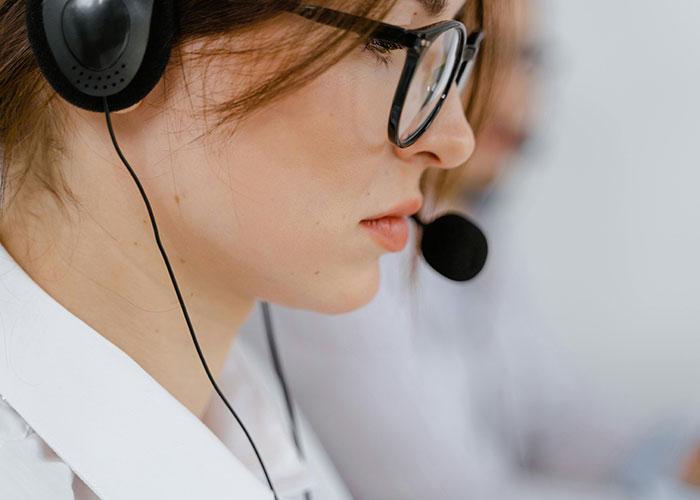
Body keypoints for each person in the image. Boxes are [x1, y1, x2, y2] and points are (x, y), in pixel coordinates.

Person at [0, 1, 496, 498]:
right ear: (110, 31)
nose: (454, 140)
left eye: (455, 54)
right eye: (386, 42)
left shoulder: (261, 438)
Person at [239, 1, 700, 499]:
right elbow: (441, 492)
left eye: (524, 59)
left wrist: (680, 457)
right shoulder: (336, 249)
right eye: (474, 57)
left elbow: (552, 416)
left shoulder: (472, 225)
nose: (513, 98)